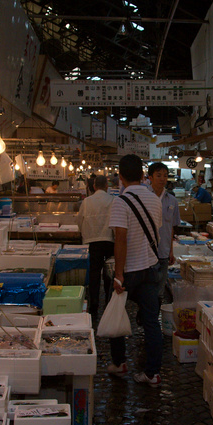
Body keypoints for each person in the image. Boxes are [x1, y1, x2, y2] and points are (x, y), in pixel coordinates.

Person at [107, 154, 163, 386]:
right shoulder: (155, 200)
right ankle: (152, 373)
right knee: (151, 322)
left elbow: (121, 239)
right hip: (150, 268)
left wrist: (119, 275)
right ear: (143, 175)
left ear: (120, 177)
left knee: (116, 313)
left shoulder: (120, 202)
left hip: (130, 271)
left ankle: (120, 363)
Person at [75, 175, 114, 318]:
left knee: (94, 274)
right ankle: (109, 303)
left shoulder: (87, 201)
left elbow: (79, 221)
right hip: (110, 241)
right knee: (109, 273)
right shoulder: (113, 200)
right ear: (107, 186)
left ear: (94, 186)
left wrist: (85, 234)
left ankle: (94, 306)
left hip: (94, 242)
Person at [148, 162, 180, 300]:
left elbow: (171, 227)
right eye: (159, 175)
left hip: (164, 251)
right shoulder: (144, 198)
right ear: (150, 177)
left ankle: (157, 310)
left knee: (160, 290)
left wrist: (171, 251)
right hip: (147, 252)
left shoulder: (172, 200)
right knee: (147, 288)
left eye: (165, 176)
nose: (162, 179)